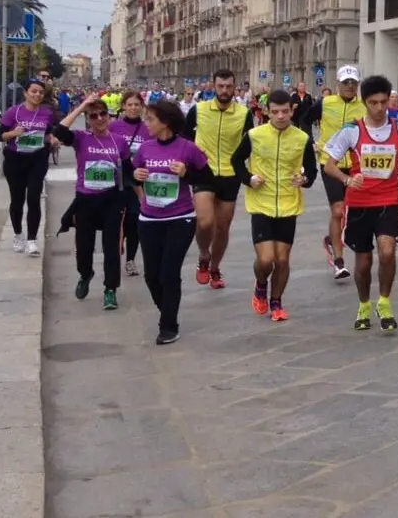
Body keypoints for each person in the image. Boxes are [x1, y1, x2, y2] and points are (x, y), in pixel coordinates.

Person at [321, 75, 398, 331]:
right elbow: (329, 165)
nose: (379, 108)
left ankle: (384, 302)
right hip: (360, 204)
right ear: (365, 103)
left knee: (387, 251)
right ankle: (364, 304)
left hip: (388, 201)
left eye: (384, 102)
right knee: (363, 263)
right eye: (373, 103)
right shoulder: (351, 131)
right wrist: (347, 179)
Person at [233, 90, 319, 322]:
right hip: (261, 203)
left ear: (292, 110)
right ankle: (261, 284)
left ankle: (277, 301)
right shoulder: (254, 135)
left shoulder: (302, 139)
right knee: (266, 260)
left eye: (285, 111)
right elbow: (236, 160)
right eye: (275, 112)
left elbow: (311, 171)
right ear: (267, 112)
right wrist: (249, 178)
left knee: (282, 260)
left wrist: (305, 180)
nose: (280, 116)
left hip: (288, 204)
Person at [131, 100, 211, 345]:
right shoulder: (145, 148)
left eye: (150, 119)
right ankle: (167, 310)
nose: (146, 123)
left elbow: (209, 177)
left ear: (165, 123)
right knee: (151, 276)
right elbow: (131, 174)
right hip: (149, 218)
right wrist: (136, 176)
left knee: (169, 271)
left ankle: (168, 325)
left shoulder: (187, 148)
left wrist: (187, 173)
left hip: (180, 218)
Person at [53, 93, 133, 310]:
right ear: (88, 119)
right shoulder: (81, 138)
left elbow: (129, 172)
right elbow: (58, 131)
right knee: (84, 248)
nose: (99, 119)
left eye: (103, 114)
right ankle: (85, 274)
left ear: (109, 116)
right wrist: (81, 108)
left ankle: (110, 289)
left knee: (112, 248)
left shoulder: (120, 142)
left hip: (112, 200)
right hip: (86, 200)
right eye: (93, 115)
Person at [183, 69, 255, 290]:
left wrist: (251, 173)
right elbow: (185, 139)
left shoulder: (244, 114)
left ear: (235, 88)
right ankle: (204, 254)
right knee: (205, 222)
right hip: (204, 171)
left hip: (230, 175)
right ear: (213, 86)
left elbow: (252, 145)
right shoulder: (198, 110)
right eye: (221, 86)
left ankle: (214, 267)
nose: (225, 91)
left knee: (223, 227)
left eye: (229, 87)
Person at [294, 65, 362, 281]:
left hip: (356, 166)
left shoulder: (364, 107)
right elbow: (303, 119)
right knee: (338, 210)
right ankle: (339, 260)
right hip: (329, 163)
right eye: (345, 83)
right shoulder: (325, 103)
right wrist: (310, 141)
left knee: (355, 214)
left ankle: (331, 239)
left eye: (353, 83)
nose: (350, 86)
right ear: (338, 85)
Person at [0, 79, 56, 255]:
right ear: (25, 93)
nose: (37, 95)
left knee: (34, 198)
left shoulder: (46, 113)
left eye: (40, 92)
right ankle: (18, 234)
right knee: (17, 200)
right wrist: (14, 133)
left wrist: (52, 139)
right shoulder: (13, 112)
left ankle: (32, 240)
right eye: (34, 91)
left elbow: (48, 133)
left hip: (37, 160)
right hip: (15, 160)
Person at [109, 92, 150, 277]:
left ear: (142, 106)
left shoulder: (148, 128)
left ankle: (131, 260)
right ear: (123, 106)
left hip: (139, 182)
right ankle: (118, 247)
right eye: (130, 104)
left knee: (134, 222)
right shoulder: (114, 127)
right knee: (117, 221)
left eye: (136, 104)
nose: (133, 108)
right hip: (116, 181)